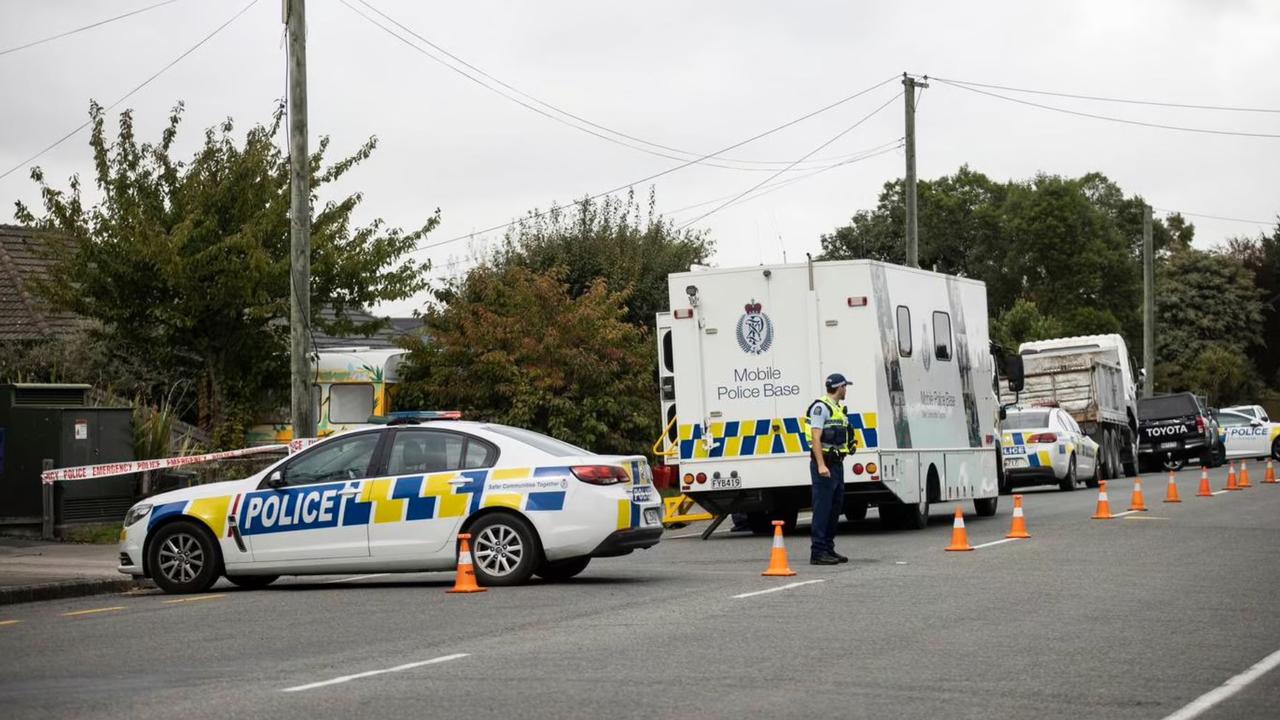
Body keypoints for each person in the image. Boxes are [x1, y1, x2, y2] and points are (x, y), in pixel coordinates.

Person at [805, 373, 855, 565]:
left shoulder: (836, 408)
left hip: (836, 463)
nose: (846, 390)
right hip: (825, 464)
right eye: (845, 387)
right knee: (823, 508)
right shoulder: (821, 407)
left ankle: (828, 548)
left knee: (835, 508)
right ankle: (817, 552)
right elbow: (815, 438)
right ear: (839, 387)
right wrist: (820, 465)